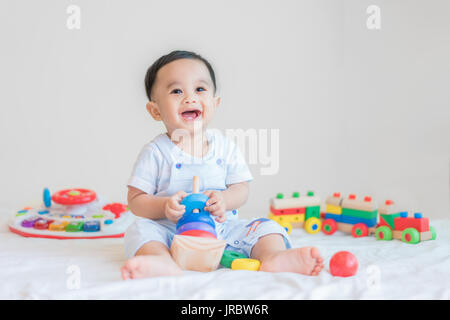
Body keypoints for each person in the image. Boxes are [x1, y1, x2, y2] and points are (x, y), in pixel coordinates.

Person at [121, 50, 324, 279]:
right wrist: (164, 206)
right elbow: (136, 202)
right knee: (140, 230)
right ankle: (161, 260)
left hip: (222, 229)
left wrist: (225, 200)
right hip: (171, 231)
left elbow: (241, 190)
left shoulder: (225, 147)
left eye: (200, 89)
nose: (190, 98)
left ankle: (273, 257)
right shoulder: (156, 152)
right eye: (177, 91)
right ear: (155, 110)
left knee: (267, 227)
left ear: (214, 103)